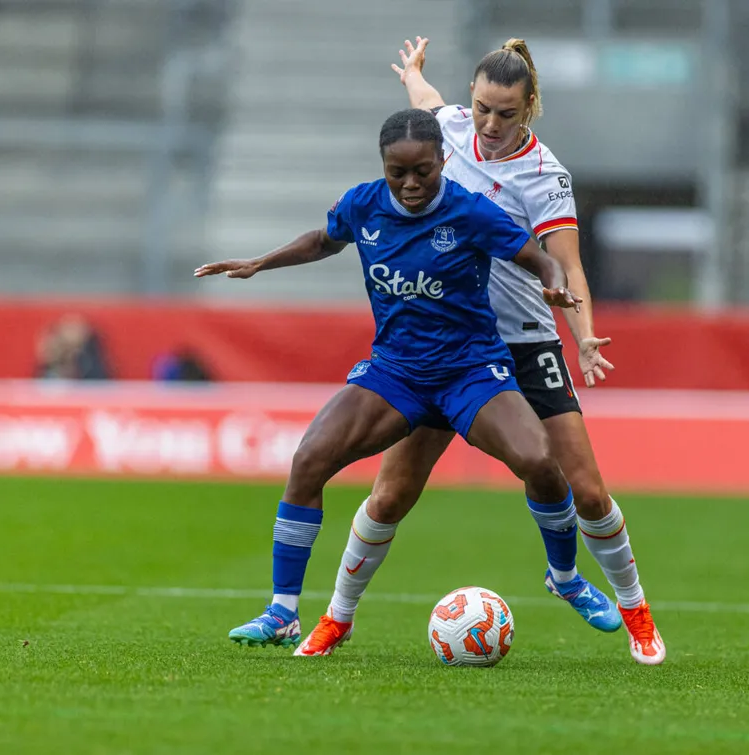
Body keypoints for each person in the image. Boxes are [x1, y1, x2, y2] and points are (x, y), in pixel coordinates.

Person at [296, 38, 666, 665]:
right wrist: (413, 75)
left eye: (508, 114)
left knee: (588, 490)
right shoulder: (447, 129)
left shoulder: (545, 176)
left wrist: (583, 340)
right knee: (392, 494)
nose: (491, 126)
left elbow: (567, 267)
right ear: (472, 100)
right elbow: (428, 102)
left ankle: (636, 613)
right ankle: (338, 618)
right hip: (448, 347)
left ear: (531, 109)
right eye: (483, 109)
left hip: (523, 344)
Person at [195, 108, 584, 651]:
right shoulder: (364, 203)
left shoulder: (470, 213)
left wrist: (553, 282)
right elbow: (324, 240)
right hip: (396, 371)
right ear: (383, 166)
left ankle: (564, 577)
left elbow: (536, 257)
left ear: (442, 161)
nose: (409, 184)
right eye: (396, 172)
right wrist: (262, 262)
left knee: (540, 462)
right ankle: (282, 612)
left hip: (471, 371)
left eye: (422, 171)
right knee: (309, 461)